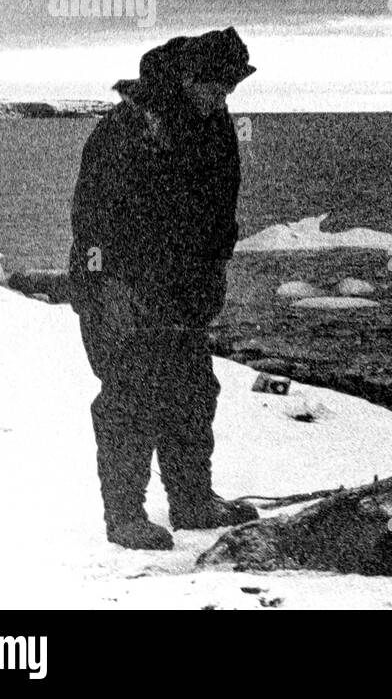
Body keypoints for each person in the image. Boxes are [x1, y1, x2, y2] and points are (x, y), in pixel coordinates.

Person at [69, 27, 260, 550]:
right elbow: (92, 218)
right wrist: (107, 287)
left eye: (229, 87)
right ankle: (125, 517)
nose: (223, 96)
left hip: (183, 289)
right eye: (216, 86)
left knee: (193, 393)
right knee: (131, 399)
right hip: (123, 287)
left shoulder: (214, 123)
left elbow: (220, 210)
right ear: (186, 77)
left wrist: (212, 268)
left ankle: (193, 501)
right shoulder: (128, 128)